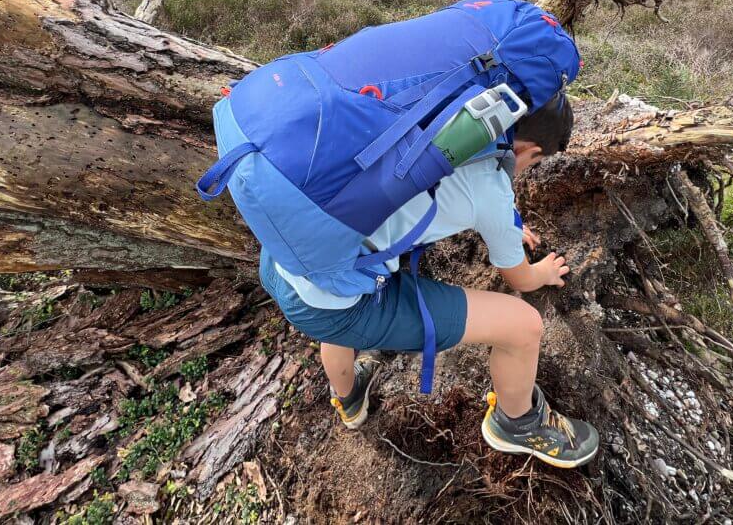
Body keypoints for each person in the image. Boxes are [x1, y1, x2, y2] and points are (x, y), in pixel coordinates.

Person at [257, 92, 600, 468]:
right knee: (524, 327)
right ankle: (516, 423)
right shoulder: (490, 189)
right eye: (534, 162)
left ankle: (350, 398)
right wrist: (542, 272)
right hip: (337, 310)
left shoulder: (436, 109)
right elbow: (517, 274)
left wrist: (504, 221)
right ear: (528, 150)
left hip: (286, 258)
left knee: (336, 283)